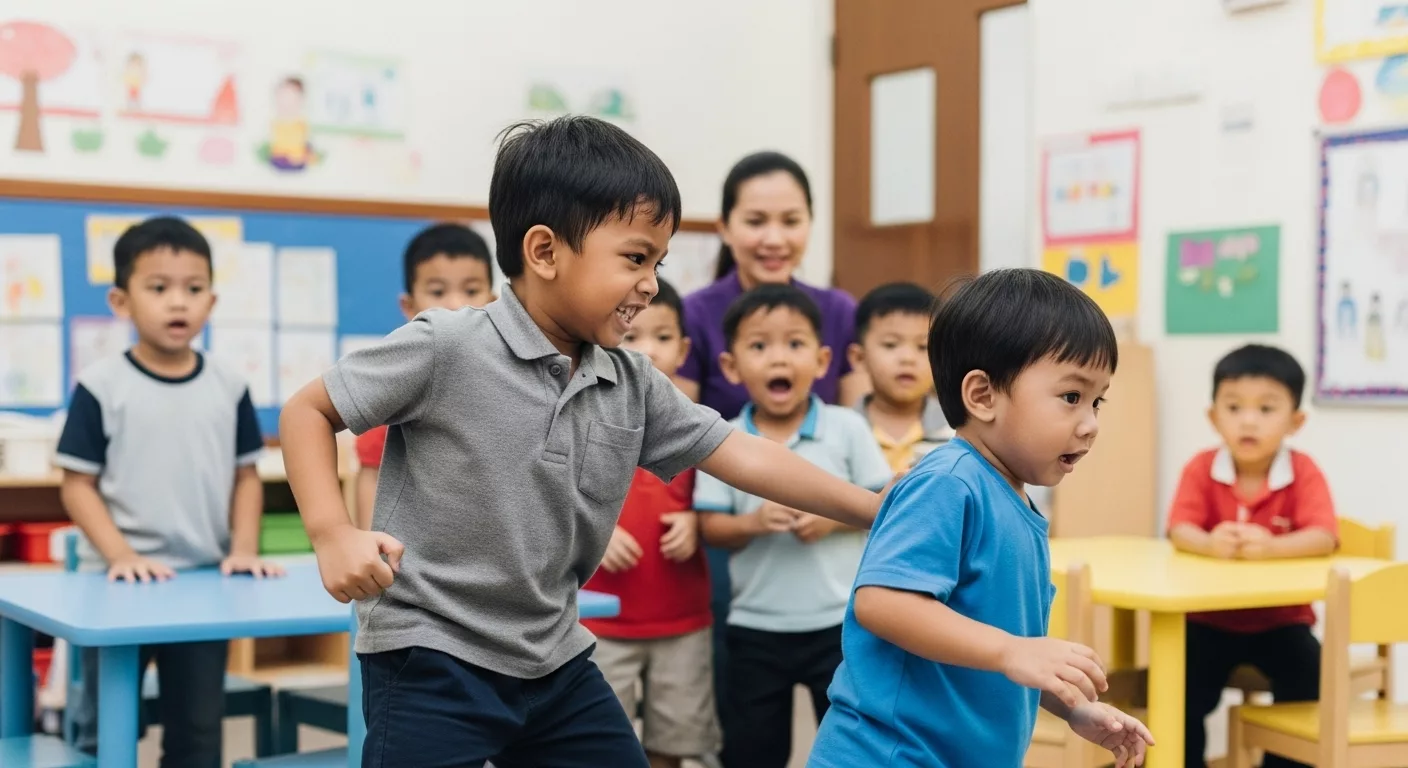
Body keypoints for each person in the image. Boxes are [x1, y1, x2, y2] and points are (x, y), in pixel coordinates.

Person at [278, 115, 889, 768]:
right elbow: (307, 410)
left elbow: (741, 454)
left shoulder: (629, 379)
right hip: (432, 654)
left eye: (657, 260)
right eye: (635, 258)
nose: (651, 283)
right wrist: (331, 532)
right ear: (544, 252)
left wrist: (874, 509)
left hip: (553, 655)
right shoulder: (448, 347)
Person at [808, 268, 1154, 768]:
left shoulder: (1016, 504)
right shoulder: (948, 482)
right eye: (1071, 397)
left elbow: (997, 652)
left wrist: (1072, 705)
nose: (1091, 423)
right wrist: (1013, 651)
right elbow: (882, 603)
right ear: (983, 396)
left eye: (1097, 401)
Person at [54, 216, 286, 766]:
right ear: (121, 301)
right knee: (102, 731)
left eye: (194, 288)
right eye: (158, 288)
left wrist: (245, 550)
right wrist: (122, 555)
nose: (177, 302)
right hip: (115, 588)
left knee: (200, 734)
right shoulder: (100, 385)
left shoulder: (229, 384)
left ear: (212, 298)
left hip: (204, 586)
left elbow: (246, 476)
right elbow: (77, 486)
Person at [677, 151, 868, 711]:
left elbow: (860, 418)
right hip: (728, 516)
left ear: (811, 223)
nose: (773, 237)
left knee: (843, 690)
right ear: (725, 227)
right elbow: (672, 421)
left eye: (790, 220)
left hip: (826, 524)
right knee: (741, 684)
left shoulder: (837, 308)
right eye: (756, 221)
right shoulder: (695, 312)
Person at [696, 284, 892, 768]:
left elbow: (884, 508)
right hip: (755, 628)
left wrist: (831, 521)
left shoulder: (847, 427)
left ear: (823, 360)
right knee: (751, 750)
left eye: (795, 344)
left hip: (840, 624)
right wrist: (755, 523)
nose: (778, 359)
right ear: (731, 366)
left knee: (853, 746)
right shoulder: (723, 438)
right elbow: (710, 529)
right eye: (759, 346)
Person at [1167, 344, 1335, 768]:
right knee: (1178, 687)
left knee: (1308, 675)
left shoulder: (1304, 472)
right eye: (1234, 406)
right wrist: (1209, 543)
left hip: (1282, 622)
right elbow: (1178, 528)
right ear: (1213, 417)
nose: (1248, 420)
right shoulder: (1200, 469)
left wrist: (1274, 548)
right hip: (1208, 620)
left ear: (1295, 421)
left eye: (1266, 409)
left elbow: (1323, 536)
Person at [581, 277, 719, 768]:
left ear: (684, 349)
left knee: (674, 739)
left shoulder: (698, 423)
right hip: (601, 619)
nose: (648, 351)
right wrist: (596, 530)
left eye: (663, 338)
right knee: (600, 742)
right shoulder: (585, 412)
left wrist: (696, 522)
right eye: (635, 335)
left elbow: (719, 503)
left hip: (681, 617)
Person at [353, 222, 496, 528]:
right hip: (414, 561)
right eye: (437, 291)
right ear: (409, 306)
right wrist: (371, 550)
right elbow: (371, 474)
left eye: (471, 290)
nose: (456, 304)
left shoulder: (510, 378)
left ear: (493, 300)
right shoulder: (396, 381)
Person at [847, 282, 952, 473]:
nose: (907, 359)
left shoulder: (957, 432)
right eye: (890, 345)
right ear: (859, 358)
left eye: (922, 347)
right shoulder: (840, 431)